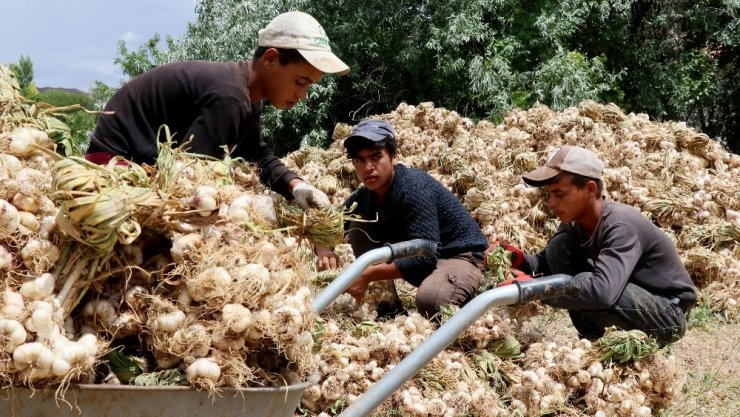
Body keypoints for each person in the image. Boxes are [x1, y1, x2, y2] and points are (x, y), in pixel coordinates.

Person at [85, 11, 348, 209]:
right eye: (300, 82)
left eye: (309, 86)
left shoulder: (245, 97)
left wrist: (295, 185)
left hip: (136, 161)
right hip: (112, 167)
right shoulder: (231, 98)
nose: (302, 95)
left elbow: (257, 155)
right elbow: (190, 174)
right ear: (270, 60)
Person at [492, 145, 697, 345]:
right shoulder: (574, 224)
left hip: (669, 313)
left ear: (590, 189)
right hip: (628, 298)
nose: (552, 203)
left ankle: (624, 342)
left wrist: (534, 291)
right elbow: (542, 263)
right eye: (549, 195)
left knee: (584, 282)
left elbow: (602, 292)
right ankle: (593, 340)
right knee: (558, 248)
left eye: (560, 194)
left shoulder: (621, 225)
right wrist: (518, 260)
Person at [315, 119, 489, 319]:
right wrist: (324, 249)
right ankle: (387, 306)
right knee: (358, 222)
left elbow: (425, 257)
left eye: (376, 157)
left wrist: (366, 274)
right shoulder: (365, 196)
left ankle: (474, 292)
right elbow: (330, 224)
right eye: (360, 160)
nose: (368, 167)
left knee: (432, 302)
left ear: (394, 157)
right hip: (427, 258)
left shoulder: (413, 188)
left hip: (459, 256)